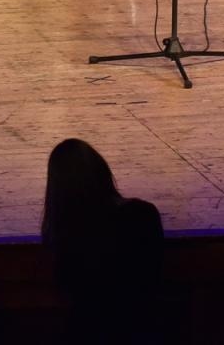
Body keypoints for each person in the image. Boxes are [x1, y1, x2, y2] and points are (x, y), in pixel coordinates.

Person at [41, 138, 164, 343]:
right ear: (103, 171)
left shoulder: (66, 233)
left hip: (90, 332)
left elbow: (68, 288)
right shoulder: (144, 214)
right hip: (142, 329)